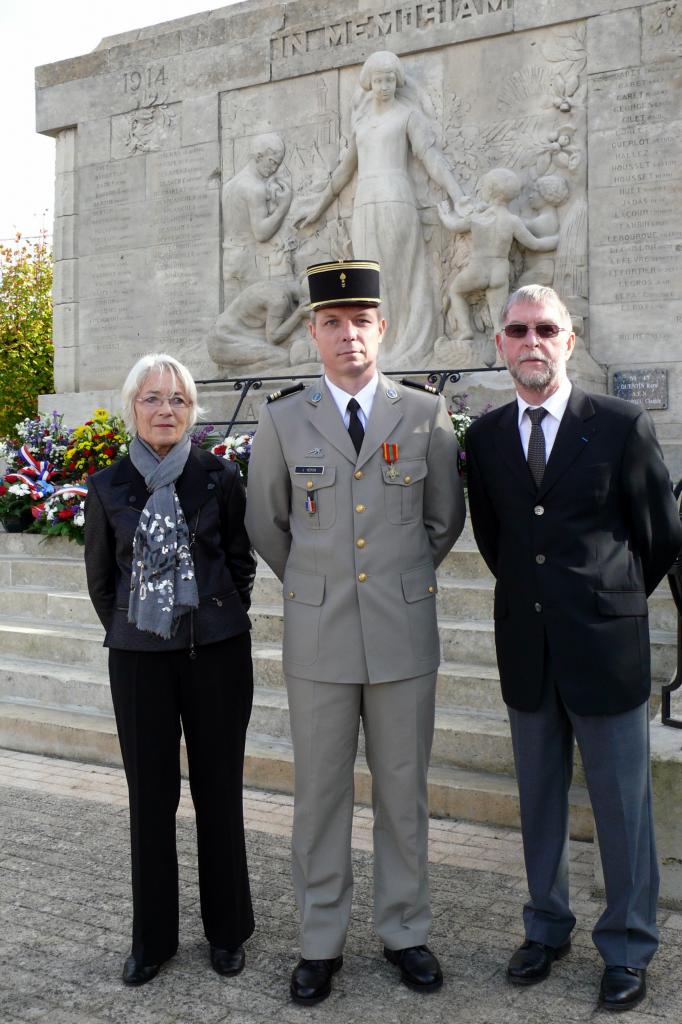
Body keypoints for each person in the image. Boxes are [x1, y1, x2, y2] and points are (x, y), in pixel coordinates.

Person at [245, 259, 466, 1005]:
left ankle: (405, 931)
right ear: (313, 332)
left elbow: (442, 519)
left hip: (403, 636)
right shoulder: (281, 418)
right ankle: (319, 940)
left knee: (403, 794)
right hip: (320, 638)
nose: (348, 336)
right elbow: (268, 525)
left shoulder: (423, 413)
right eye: (332, 324)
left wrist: (399, 580)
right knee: (320, 797)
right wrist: (321, 582)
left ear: (383, 327)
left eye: (360, 322)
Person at [465, 285, 682, 1012]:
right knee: (539, 803)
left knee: (622, 808)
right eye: (518, 329)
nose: (532, 340)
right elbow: (497, 537)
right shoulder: (486, 436)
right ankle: (547, 926)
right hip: (527, 646)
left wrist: (602, 596)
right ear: (501, 343)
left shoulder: (620, 423)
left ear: (569, 338)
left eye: (545, 329)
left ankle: (626, 944)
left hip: (603, 646)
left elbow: (658, 536)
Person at [84, 353, 256, 986]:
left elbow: (240, 563)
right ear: (133, 406)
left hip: (215, 653)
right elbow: (103, 579)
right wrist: (134, 629)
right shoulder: (109, 485)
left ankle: (228, 931)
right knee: (149, 801)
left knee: (220, 795)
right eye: (153, 399)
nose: (165, 410)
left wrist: (213, 619)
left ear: (193, 411)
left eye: (178, 400)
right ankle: (152, 940)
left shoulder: (219, 476)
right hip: (138, 662)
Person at [296, 51, 463, 366]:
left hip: (397, 197)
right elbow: (344, 172)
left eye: (390, 79)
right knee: (370, 281)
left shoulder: (407, 115)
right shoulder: (362, 123)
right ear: (369, 83)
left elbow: (430, 158)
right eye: (379, 79)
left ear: (397, 82)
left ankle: (403, 346)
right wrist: (317, 210)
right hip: (365, 204)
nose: (385, 85)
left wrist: (458, 194)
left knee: (400, 274)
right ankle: (378, 350)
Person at [437, 168, 558, 362]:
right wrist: (559, 239)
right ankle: (503, 360)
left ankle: (466, 330)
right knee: (499, 320)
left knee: (456, 291)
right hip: (500, 270)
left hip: (478, 268)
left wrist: (444, 214)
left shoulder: (478, 218)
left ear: (489, 191)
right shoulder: (512, 221)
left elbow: (453, 225)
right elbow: (535, 244)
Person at [222, 132, 292, 296]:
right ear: (259, 156)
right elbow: (261, 233)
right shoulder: (255, 188)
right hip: (249, 262)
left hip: (231, 259)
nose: (274, 169)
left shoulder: (230, 185)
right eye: (272, 162)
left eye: (277, 165)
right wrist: (284, 205)